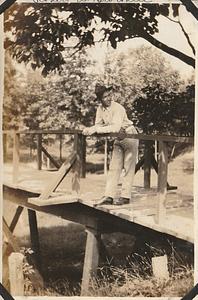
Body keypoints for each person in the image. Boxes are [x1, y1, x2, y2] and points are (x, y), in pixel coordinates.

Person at [83, 83, 139, 205]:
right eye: (105, 97)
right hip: (118, 138)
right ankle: (108, 196)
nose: (109, 98)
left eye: (109, 95)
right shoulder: (100, 109)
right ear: (100, 99)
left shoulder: (117, 108)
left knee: (128, 167)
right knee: (114, 167)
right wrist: (90, 129)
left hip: (129, 135)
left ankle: (125, 197)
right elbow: (98, 125)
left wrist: (96, 129)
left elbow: (115, 127)